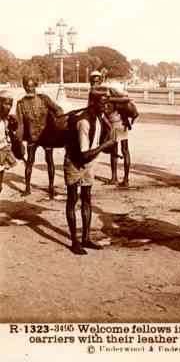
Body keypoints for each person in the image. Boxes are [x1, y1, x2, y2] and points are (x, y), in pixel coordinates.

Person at [64, 86, 116, 255]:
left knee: (86, 199)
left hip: (89, 163)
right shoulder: (84, 122)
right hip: (75, 162)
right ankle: (74, 242)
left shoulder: (99, 118)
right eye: (102, 103)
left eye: (107, 102)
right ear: (93, 102)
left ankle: (85, 238)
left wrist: (109, 143)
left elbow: (93, 150)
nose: (106, 106)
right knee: (72, 200)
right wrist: (105, 146)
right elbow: (84, 154)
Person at [15, 75, 63, 198]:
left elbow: (59, 110)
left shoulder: (44, 99)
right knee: (30, 162)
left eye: (31, 86)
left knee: (49, 160)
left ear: (35, 86)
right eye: (27, 86)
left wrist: (56, 121)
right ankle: (27, 188)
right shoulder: (20, 104)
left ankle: (51, 186)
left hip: (47, 137)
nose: (29, 88)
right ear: (24, 87)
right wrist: (18, 142)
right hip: (32, 137)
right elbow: (20, 124)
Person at [89, 72, 134, 188]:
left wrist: (107, 127)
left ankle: (115, 178)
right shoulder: (109, 92)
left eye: (96, 81)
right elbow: (125, 101)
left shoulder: (98, 95)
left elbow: (100, 114)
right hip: (122, 123)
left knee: (115, 152)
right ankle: (125, 179)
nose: (95, 83)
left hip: (113, 125)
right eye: (94, 81)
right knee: (125, 150)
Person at [0, 91, 18, 194]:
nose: (8, 107)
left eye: (10, 104)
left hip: (2, 152)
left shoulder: (7, 119)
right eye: (6, 104)